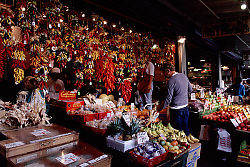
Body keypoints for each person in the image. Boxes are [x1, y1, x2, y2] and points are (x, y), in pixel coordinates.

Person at [161, 62, 192, 135]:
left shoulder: (171, 80)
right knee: (186, 129)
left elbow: (169, 98)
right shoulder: (184, 76)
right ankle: (188, 144)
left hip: (176, 110)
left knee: (177, 132)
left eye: (164, 72)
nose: (164, 75)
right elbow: (190, 90)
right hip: (185, 108)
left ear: (168, 71)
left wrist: (161, 108)